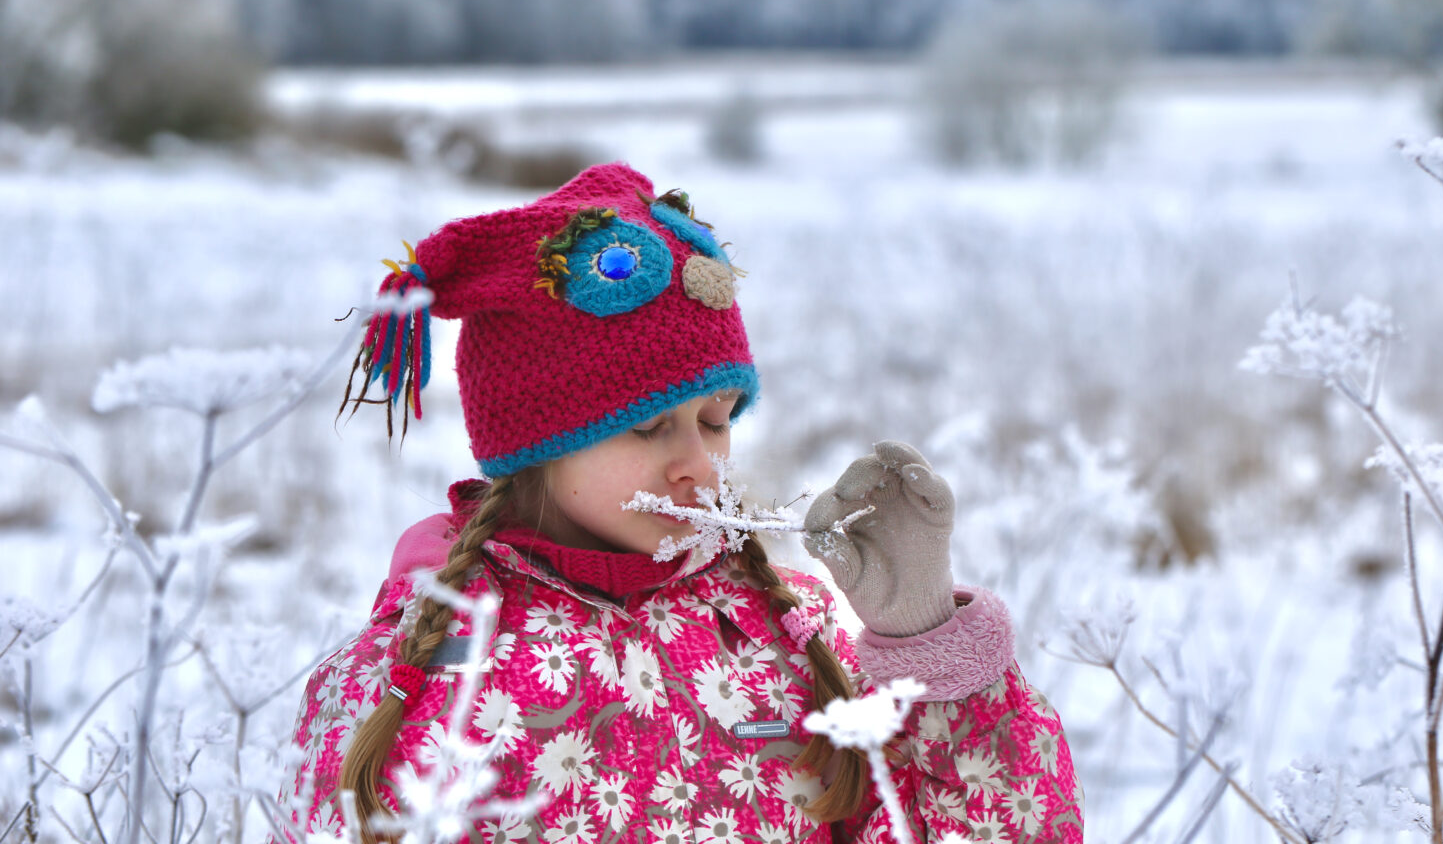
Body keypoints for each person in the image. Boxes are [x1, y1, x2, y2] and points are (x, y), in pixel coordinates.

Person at [274, 163, 1084, 844]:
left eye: (715, 422)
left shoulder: (784, 641)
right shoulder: (427, 668)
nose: (698, 465)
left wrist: (928, 647)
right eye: (650, 427)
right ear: (537, 442)